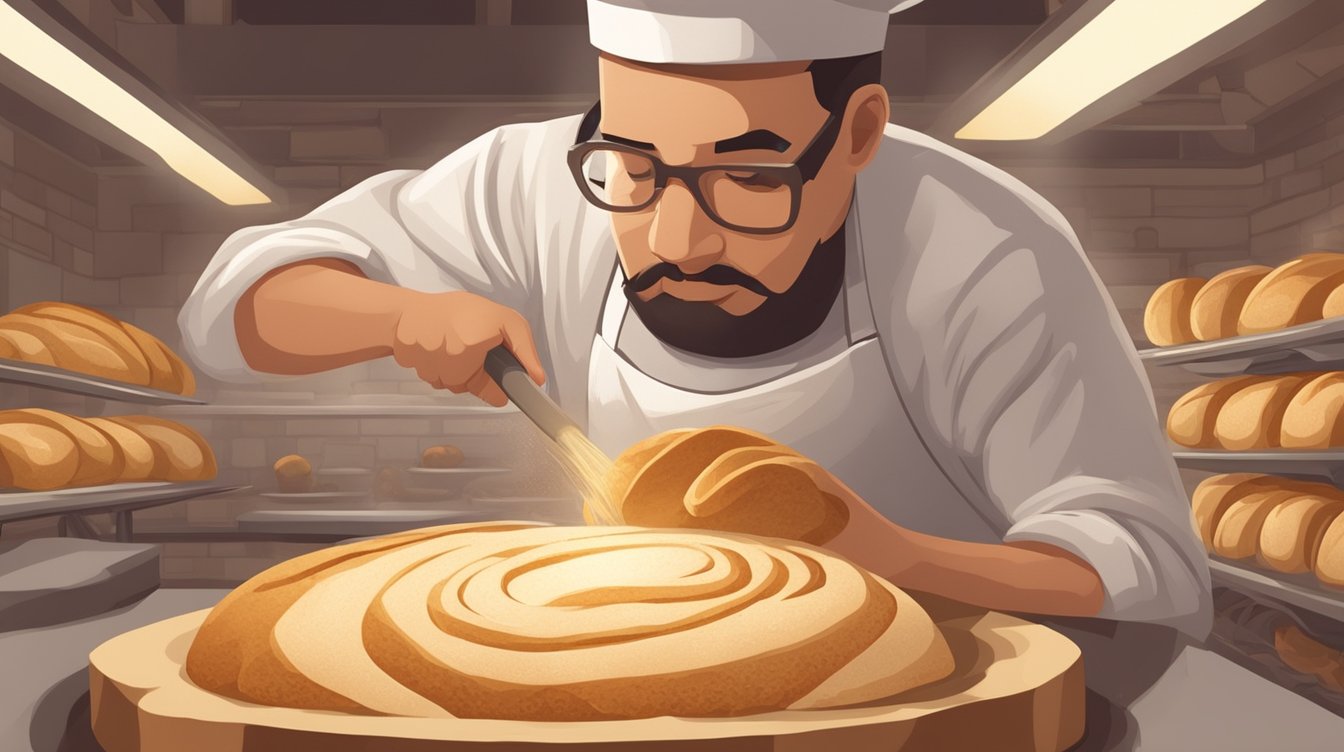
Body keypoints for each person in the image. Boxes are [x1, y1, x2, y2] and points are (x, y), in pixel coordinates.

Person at [180, 0, 1210, 638]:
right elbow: (236, 312)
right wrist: (397, 312)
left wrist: (887, 559)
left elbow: (1145, 571)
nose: (677, 236)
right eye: (633, 168)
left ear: (858, 134)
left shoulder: (984, 250)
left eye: (749, 176)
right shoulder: (536, 182)